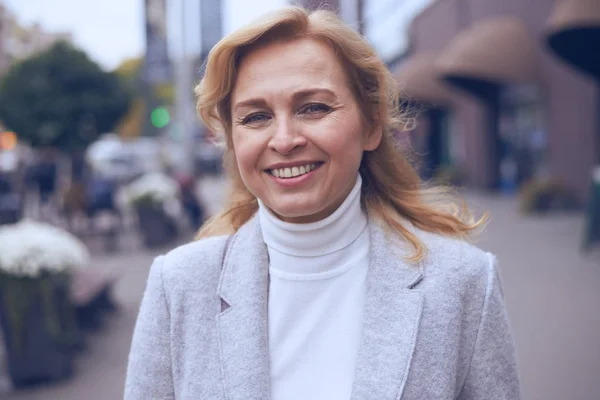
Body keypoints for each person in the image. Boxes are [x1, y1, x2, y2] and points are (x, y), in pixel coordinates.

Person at [125, 6, 520, 400]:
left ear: (371, 125)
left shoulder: (463, 282)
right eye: (256, 116)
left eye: (314, 108)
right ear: (232, 138)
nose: (284, 140)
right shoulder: (178, 284)